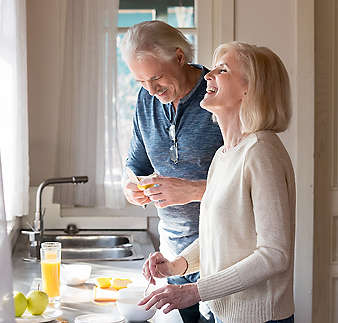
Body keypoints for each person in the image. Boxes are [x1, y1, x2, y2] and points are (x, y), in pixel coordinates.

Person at [138, 41, 296, 323]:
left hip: (257, 318)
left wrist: (196, 291)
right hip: (219, 312)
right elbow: (219, 237)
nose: (208, 75)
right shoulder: (224, 155)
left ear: (250, 88)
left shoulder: (262, 151)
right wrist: (175, 266)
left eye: (222, 70)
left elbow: (275, 255)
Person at [120, 21, 223, 323]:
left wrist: (192, 190)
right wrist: (131, 187)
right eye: (141, 82)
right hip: (173, 255)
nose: (151, 90)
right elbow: (136, 165)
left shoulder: (219, 95)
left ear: (179, 57)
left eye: (156, 78)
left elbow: (246, 181)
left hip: (220, 253)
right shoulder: (145, 101)